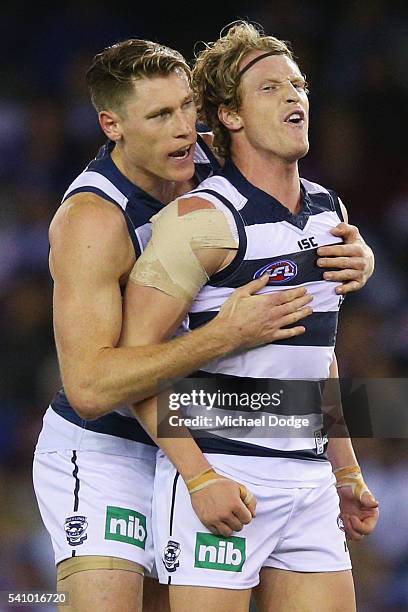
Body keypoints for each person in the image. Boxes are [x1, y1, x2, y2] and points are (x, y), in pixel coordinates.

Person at [121, 23, 379, 612]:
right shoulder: (203, 219)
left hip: (309, 480)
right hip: (223, 470)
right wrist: (198, 477)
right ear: (231, 117)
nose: (294, 96)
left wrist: (345, 471)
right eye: (270, 87)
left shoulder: (326, 210)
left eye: (299, 84)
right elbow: (135, 361)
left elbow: (320, 354)